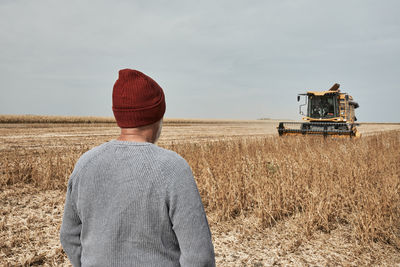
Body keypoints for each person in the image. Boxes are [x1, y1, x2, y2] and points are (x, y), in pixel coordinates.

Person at [60, 69, 215, 267]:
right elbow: (198, 257)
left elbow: (69, 235)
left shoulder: (85, 164)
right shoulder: (174, 169)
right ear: (157, 117)